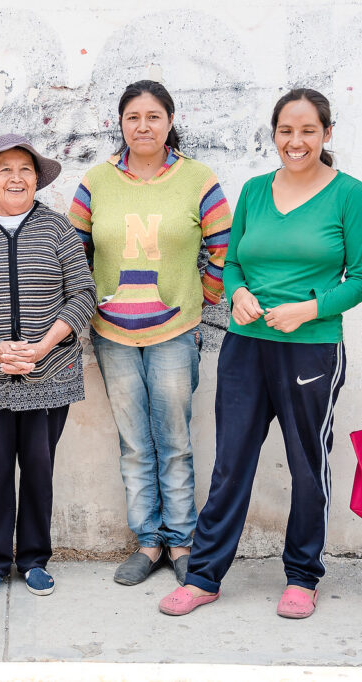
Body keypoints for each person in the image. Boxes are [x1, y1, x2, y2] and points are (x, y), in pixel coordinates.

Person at [159, 89, 362, 617]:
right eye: (286, 131)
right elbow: (232, 262)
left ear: (326, 133)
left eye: (307, 131)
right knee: (231, 463)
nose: (295, 141)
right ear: (274, 134)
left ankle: (302, 576)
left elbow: (361, 279)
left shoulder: (348, 193)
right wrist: (237, 293)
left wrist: (309, 310)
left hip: (311, 351)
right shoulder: (255, 190)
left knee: (307, 465)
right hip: (245, 346)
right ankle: (204, 576)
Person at [68, 80, 231, 586]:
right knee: (135, 444)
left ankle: (181, 542)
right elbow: (74, 252)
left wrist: (202, 297)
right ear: (120, 123)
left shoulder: (198, 179)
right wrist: (91, 304)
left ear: (169, 121)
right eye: (133, 117)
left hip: (175, 332)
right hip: (112, 334)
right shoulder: (96, 181)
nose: (143, 126)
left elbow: (224, 246)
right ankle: (147, 542)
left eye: (153, 116)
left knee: (175, 441)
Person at [0, 134, 96, 598]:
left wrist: (43, 346)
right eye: (5, 169)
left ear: (36, 179)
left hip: (49, 373)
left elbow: (83, 294)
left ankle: (33, 559)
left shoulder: (57, 229)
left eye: (25, 169)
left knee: (38, 469)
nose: (16, 177)